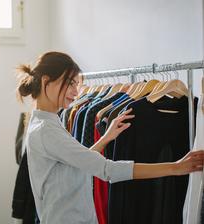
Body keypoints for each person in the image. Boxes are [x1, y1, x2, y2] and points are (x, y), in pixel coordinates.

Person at [16, 51, 204, 224]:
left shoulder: (45, 122)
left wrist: (105, 138)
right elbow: (107, 170)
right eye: (70, 83)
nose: (75, 91)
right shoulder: (47, 131)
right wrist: (175, 167)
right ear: (46, 81)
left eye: (76, 83)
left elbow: (78, 162)